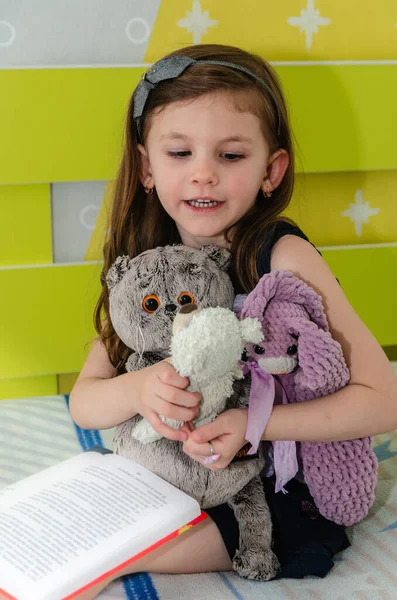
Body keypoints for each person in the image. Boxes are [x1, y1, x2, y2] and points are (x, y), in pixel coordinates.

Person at [69, 44, 397, 597]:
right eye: (179, 153)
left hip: (274, 482)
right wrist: (140, 387)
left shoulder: (281, 259)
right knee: (107, 499)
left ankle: (110, 562)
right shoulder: (149, 264)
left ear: (272, 170)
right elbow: (86, 401)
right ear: (147, 167)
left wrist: (257, 423)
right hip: (176, 473)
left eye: (230, 156)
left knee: (264, 528)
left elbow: (382, 399)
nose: (203, 176)